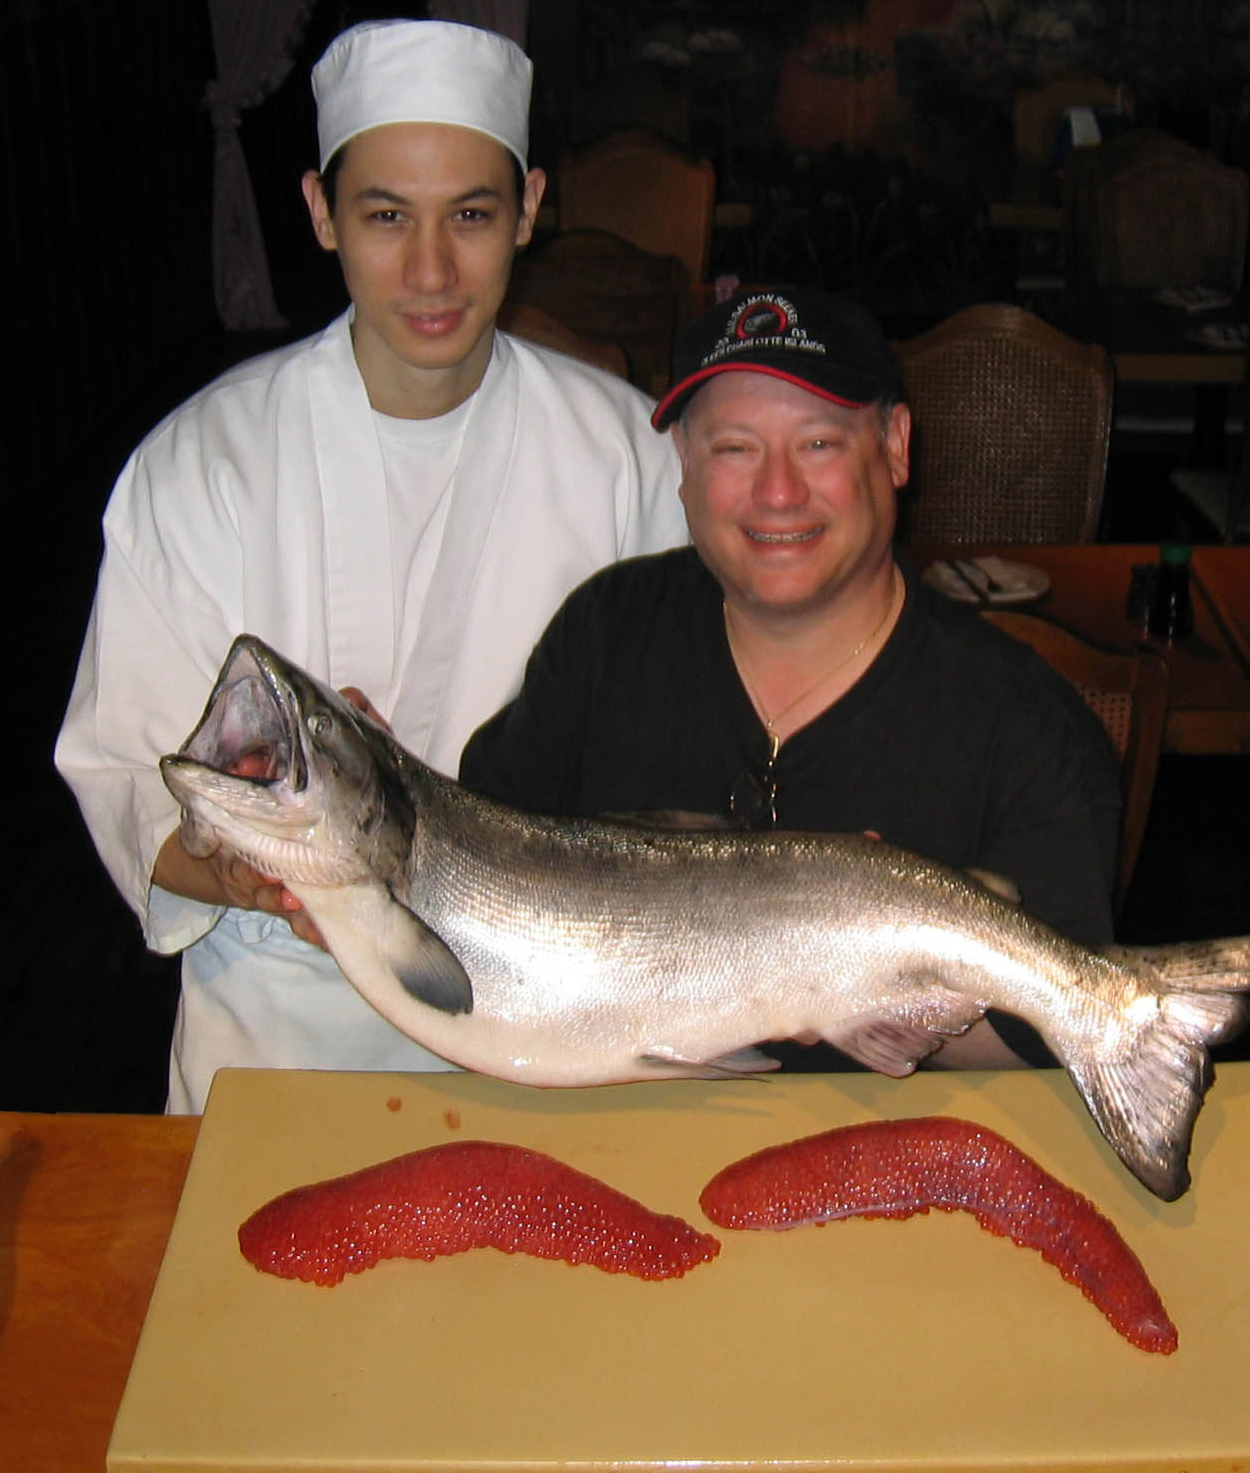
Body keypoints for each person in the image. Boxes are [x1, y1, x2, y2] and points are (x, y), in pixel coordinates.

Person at [54, 19, 686, 1113]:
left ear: (531, 208)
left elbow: (682, 750)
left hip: (559, 1035)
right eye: (386, 215)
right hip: (276, 1042)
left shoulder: (632, 454)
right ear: (319, 213)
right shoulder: (202, 464)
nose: (430, 270)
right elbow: (122, 770)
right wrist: (242, 869)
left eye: (472, 217)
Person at [460, 286, 1122, 1068]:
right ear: (683, 468)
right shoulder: (606, 634)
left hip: (892, 1171)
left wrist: (893, 987)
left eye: (819, 444)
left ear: (897, 446)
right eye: (735, 448)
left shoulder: (1021, 721)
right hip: (614, 1142)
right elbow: (476, 885)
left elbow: (1059, 1047)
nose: (777, 492)